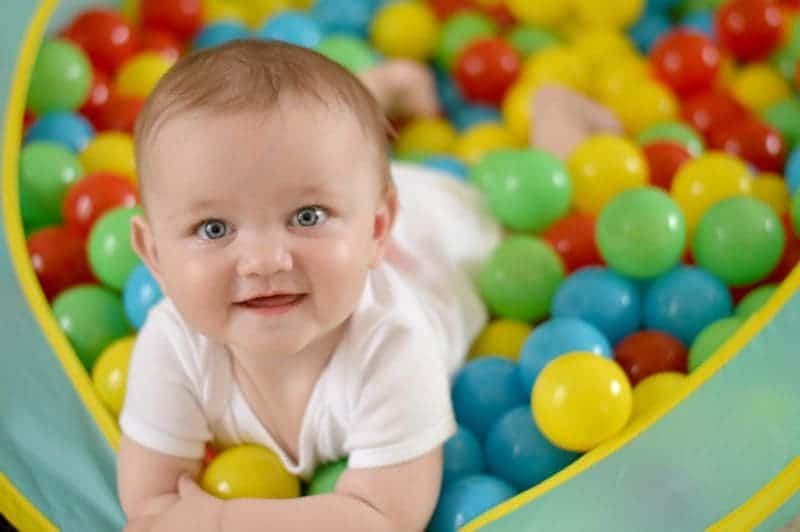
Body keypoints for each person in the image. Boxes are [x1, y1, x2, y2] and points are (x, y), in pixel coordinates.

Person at [117, 39, 620, 532]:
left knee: (543, 205)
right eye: (214, 229)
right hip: (344, 186)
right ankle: (383, 92)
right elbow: (150, 499)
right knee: (304, 139)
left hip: (440, 229)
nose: (265, 260)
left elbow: (385, 516)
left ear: (377, 231)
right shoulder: (173, 344)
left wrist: (223, 521)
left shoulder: (393, 344)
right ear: (155, 254)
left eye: (306, 217)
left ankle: (553, 109)